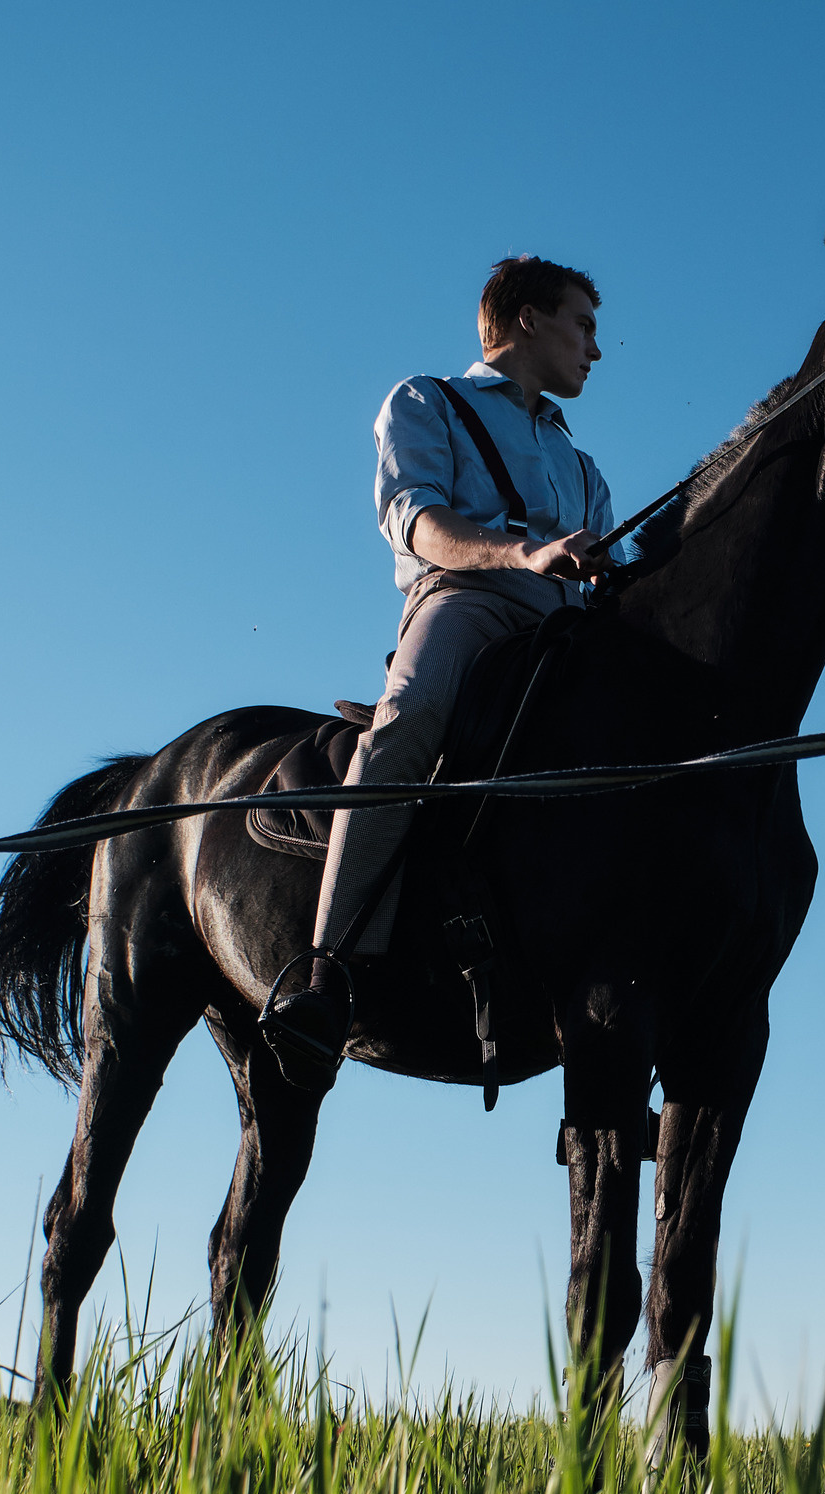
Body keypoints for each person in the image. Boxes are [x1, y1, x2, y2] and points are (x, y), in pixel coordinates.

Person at [263, 256, 622, 1087]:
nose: (595, 350)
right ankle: (328, 977)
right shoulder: (427, 401)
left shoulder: (586, 469)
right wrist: (523, 555)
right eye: (584, 325)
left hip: (570, 632)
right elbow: (417, 522)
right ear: (527, 319)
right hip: (467, 604)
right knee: (412, 717)